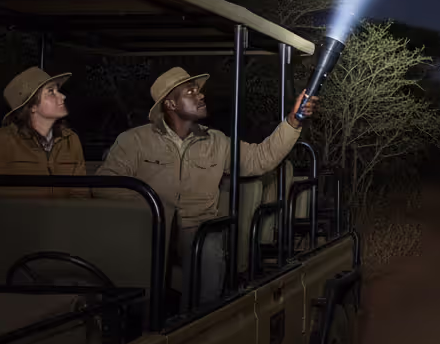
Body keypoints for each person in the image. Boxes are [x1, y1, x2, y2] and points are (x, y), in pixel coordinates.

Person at [95, 66, 317, 311]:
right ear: (170, 103)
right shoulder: (134, 141)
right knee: (136, 253)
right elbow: (106, 185)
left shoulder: (216, 142)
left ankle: (200, 323)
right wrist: (152, 209)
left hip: (197, 228)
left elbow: (260, 159)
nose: (200, 95)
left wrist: (293, 121)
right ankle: (137, 327)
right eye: (190, 91)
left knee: (209, 248)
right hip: (152, 226)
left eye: (199, 91)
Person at [0, 67, 89, 198]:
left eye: (58, 90)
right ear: (32, 106)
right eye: (51, 92)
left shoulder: (70, 140)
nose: (62, 96)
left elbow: (80, 194)